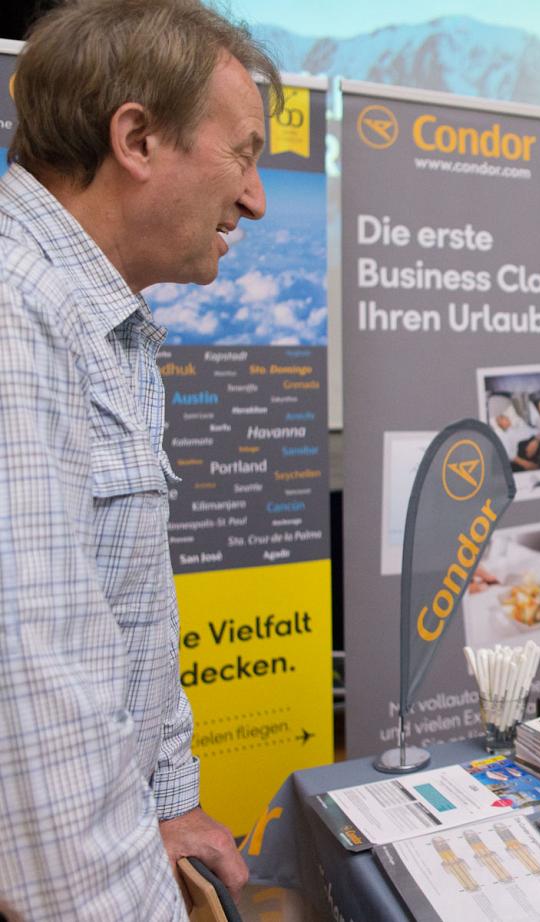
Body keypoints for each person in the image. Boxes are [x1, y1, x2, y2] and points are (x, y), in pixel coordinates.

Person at [0, 0, 280, 917]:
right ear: (137, 139)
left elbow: (126, 623)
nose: (255, 197)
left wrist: (167, 804)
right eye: (242, 154)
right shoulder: (16, 316)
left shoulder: (101, 322)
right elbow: (33, 720)